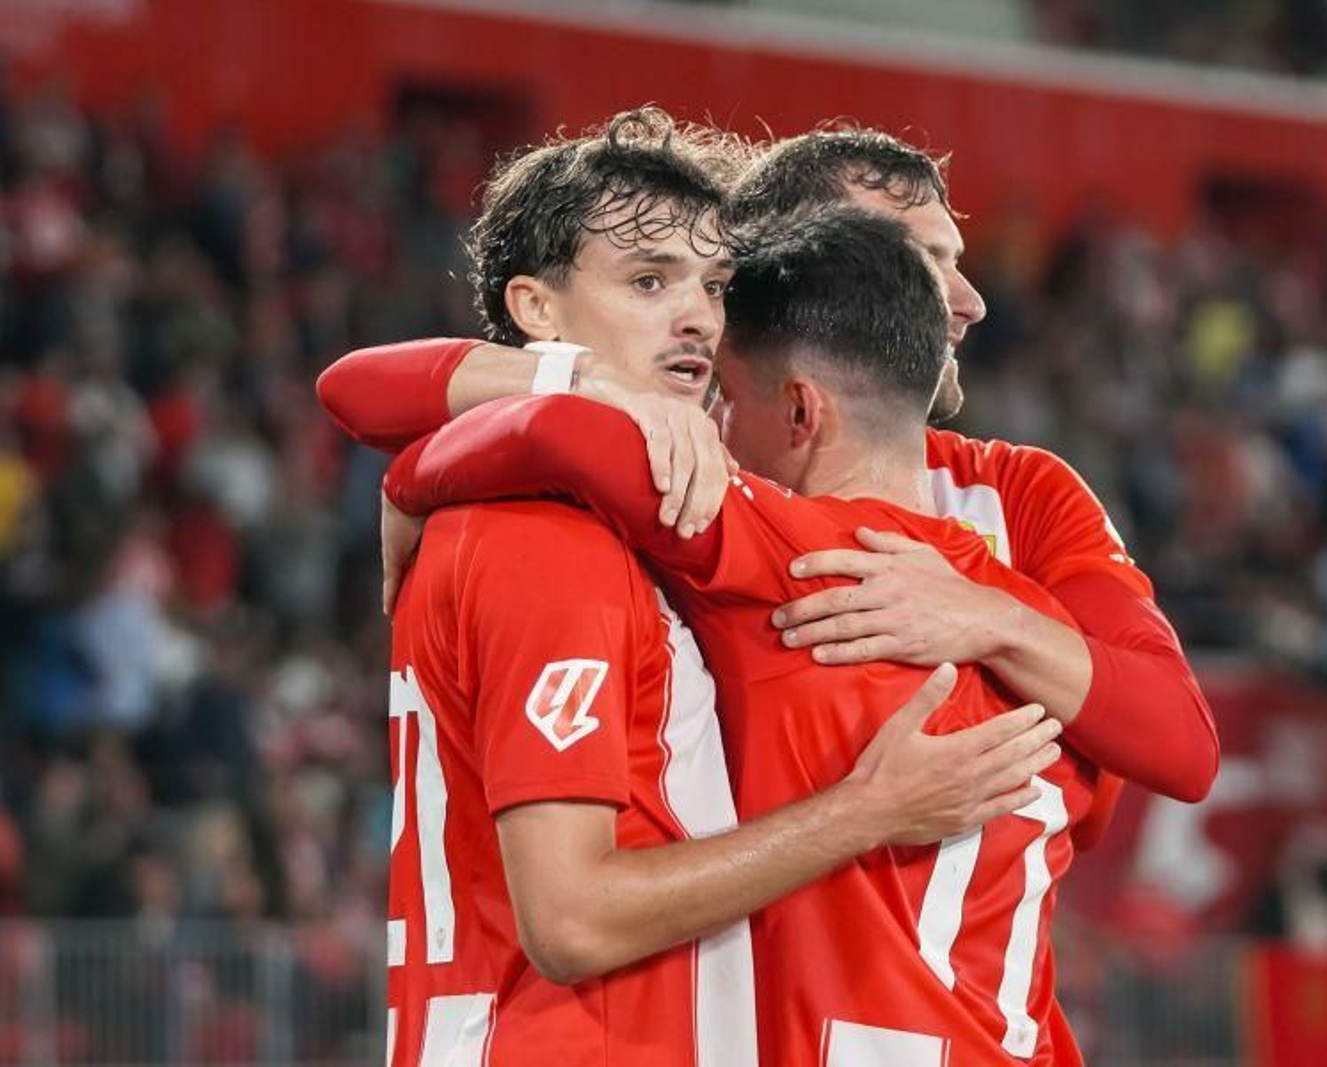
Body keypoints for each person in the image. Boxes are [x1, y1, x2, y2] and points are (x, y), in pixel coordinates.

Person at [378, 207, 1215, 1065]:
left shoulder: (790, 560)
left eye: (724, 402)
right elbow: (1157, 750)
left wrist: (410, 481)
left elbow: (547, 433)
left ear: (800, 413)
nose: (709, 430)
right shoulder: (1056, 643)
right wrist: (1004, 621)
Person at [320, 123, 1217, 842]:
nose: (966, 299)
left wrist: (991, 617)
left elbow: (1178, 746)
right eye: (921, 262)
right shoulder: (658, 444)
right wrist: (517, 418)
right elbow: (357, 387)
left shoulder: (1017, 492)